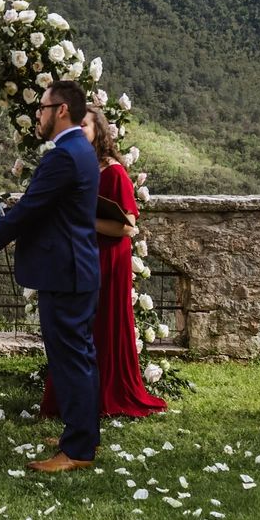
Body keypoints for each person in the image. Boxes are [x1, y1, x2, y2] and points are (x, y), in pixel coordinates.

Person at [0, 79, 101, 472]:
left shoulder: (63, 156)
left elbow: (31, 209)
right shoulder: (81, 151)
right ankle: (81, 435)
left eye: (43, 107)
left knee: (71, 359)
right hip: (78, 269)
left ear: (62, 110)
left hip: (65, 273)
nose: (38, 114)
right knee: (80, 356)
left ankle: (77, 451)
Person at [40, 108, 166, 420]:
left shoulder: (114, 173)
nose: (78, 130)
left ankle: (106, 394)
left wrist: (82, 219)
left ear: (99, 131)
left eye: (84, 125)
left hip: (108, 259)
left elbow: (127, 226)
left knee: (102, 324)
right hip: (78, 255)